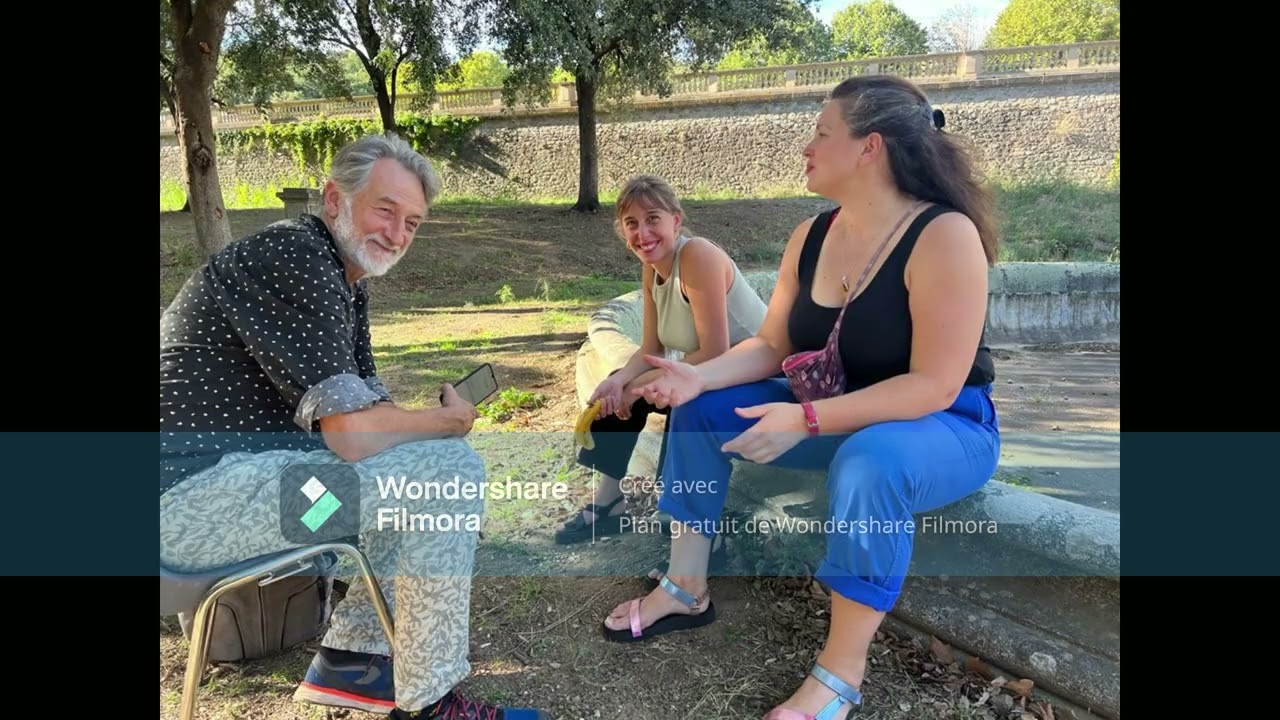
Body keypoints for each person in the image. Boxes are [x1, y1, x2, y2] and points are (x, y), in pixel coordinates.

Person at [601, 74, 1002, 720]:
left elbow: (936, 383)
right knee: (700, 413)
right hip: (838, 410)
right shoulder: (810, 236)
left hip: (943, 423)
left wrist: (808, 417)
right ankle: (684, 586)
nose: (805, 148)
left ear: (869, 148)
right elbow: (771, 344)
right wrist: (697, 379)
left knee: (873, 463)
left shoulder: (943, 235)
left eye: (821, 133)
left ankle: (839, 677)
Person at [159, 133, 547, 720]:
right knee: (446, 472)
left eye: (412, 223)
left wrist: (420, 424)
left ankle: (355, 666)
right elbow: (351, 435)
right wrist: (442, 423)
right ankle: (429, 702)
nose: (396, 233)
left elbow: (365, 425)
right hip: (187, 511)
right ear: (334, 199)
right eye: (385, 210)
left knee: (403, 484)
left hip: (234, 497)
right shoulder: (297, 255)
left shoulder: (342, 280)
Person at [554, 175, 767, 552]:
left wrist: (637, 387)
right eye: (631, 224)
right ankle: (611, 503)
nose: (642, 233)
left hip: (757, 374)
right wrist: (621, 382)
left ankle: (698, 524)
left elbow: (716, 352)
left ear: (676, 221)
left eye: (653, 218)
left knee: (674, 398)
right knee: (617, 383)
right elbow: (648, 348)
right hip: (712, 372)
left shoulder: (698, 256)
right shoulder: (652, 268)